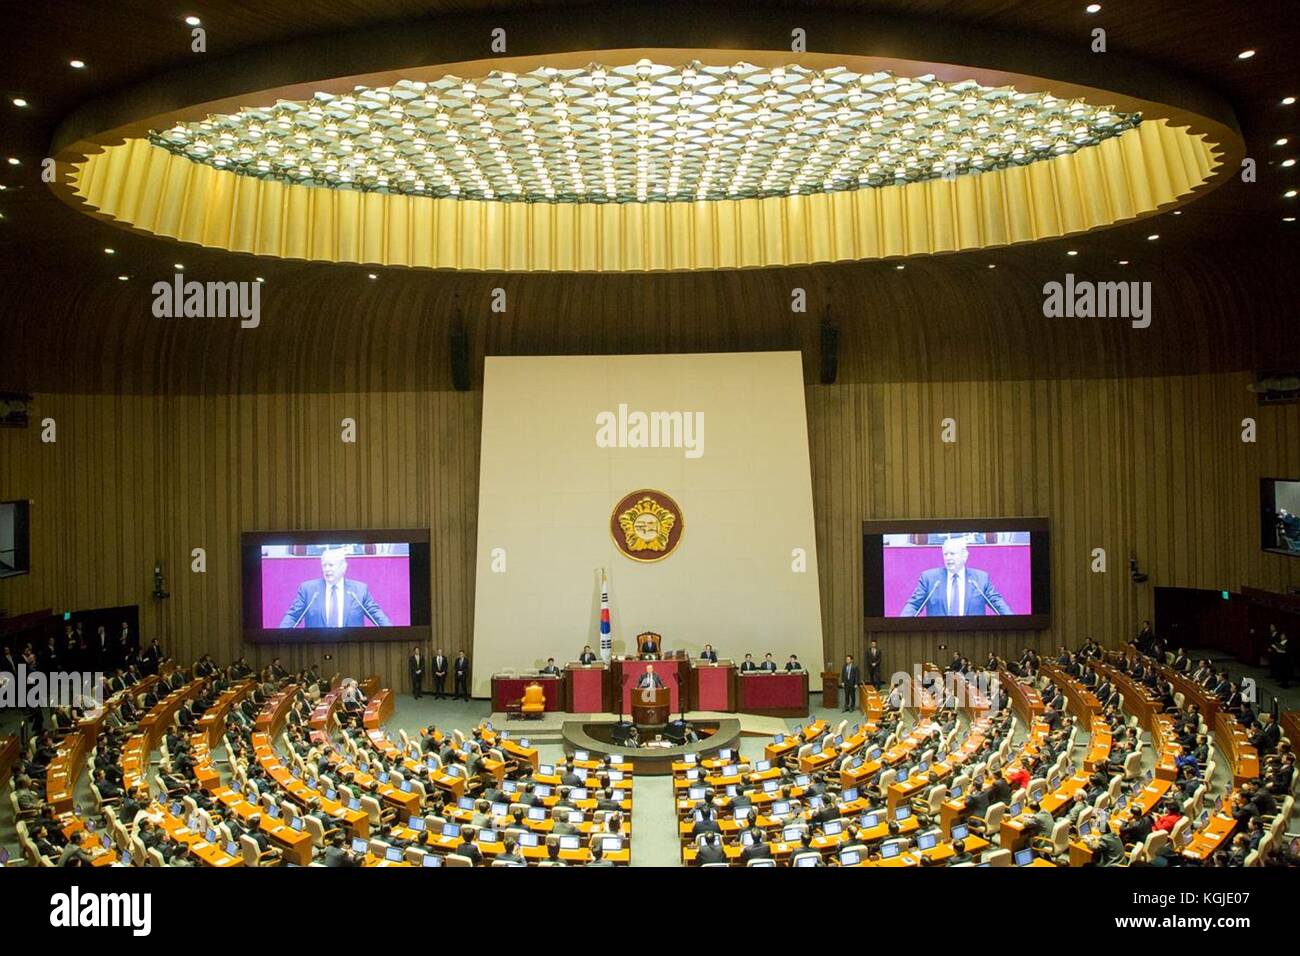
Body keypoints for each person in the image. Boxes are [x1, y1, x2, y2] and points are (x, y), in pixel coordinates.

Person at [278, 546, 392, 628]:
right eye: (324, 565)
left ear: (343, 567)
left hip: (352, 647)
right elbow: (293, 617)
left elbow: (376, 615)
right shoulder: (308, 590)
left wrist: (391, 632)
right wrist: (280, 636)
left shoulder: (359, 590)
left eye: (331, 565)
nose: (327, 569)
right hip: (316, 648)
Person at [900, 538, 1012, 617]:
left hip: (973, 637)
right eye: (945, 554)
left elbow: (997, 603)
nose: (948, 558)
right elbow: (914, 605)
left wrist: (1013, 621)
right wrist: (901, 624)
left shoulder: (981, 579)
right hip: (937, 637)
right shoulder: (929, 578)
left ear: (965, 556)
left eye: (952, 554)